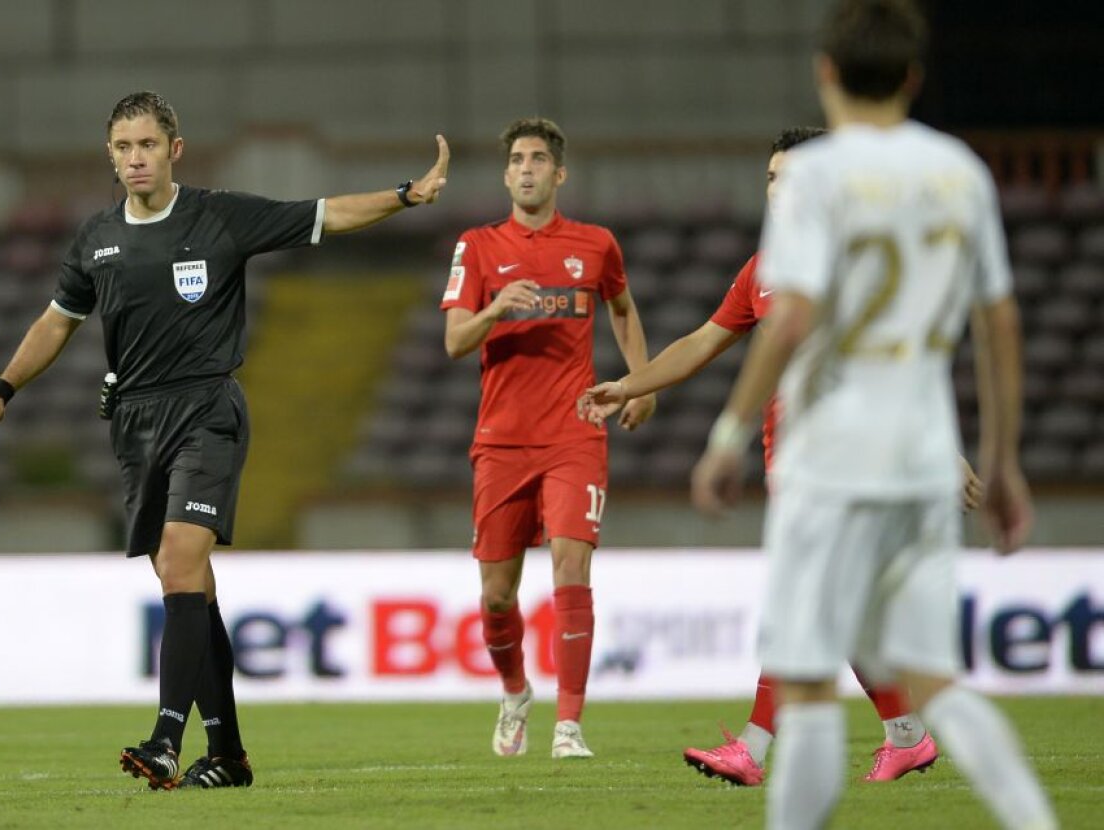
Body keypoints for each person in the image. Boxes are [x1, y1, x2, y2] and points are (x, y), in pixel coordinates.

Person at [0, 90, 450, 791]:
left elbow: (325, 213)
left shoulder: (217, 216)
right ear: (111, 154)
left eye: (148, 145)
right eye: (124, 147)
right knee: (186, 582)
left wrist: (407, 194)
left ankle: (166, 737)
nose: (136, 158)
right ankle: (226, 752)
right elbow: (55, 322)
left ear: (174, 150)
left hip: (206, 409)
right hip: (135, 421)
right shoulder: (96, 238)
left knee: (180, 554)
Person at [691, 2, 1057, 828]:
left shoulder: (815, 181)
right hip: (924, 456)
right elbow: (999, 322)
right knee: (934, 680)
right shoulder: (959, 171)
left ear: (826, 73)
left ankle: (773, 772)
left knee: (811, 678)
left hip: (829, 459)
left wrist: (726, 436)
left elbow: (790, 321)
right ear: (914, 78)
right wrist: (1002, 460)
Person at [579, 126, 980, 785]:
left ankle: (755, 749)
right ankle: (906, 737)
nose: (779, 190)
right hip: (789, 461)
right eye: (770, 178)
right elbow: (703, 343)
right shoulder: (763, 272)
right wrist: (630, 380)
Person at [441, 117, 656, 759]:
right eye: (517, 159)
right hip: (501, 441)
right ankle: (514, 692)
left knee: (571, 564)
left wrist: (642, 382)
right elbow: (455, 341)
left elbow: (621, 307)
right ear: (506, 174)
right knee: (497, 593)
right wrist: (496, 309)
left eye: (538, 159)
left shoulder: (595, 245)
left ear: (559, 173)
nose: (527, 168)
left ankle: (570, 726)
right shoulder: (477, 246)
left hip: (575, 433)